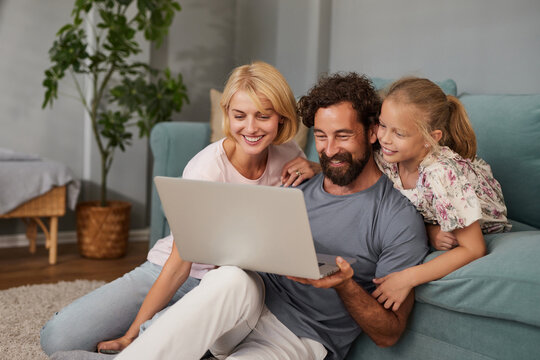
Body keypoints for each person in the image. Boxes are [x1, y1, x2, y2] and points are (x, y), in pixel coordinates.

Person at [107, 72, 429, 360]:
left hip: (300, 336)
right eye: (320, 136)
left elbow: (389, 333)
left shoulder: (396, 218)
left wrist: (344, 285)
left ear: (373, 132)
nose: (329, 150)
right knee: (232, 277)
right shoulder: (297, 181)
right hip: (245, 305)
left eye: (343, 136)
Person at [40, 61, 320, 357]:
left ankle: (159, 335)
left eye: (263, 116)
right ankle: (147, 335)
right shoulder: (206, 169)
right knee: (57, 339)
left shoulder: (290, 154)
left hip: (232, 290)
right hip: (176, 270)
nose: (250, 128)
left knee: (186, 333)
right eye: (240, 116)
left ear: (281, 118)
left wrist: (316, 168)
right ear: (227, 114)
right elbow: (178, 265)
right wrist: (130, 336)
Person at [371, 77, 511, 312]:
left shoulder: (441, 174)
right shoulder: (387, 157)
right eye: (383, 125)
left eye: (399, 133)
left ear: (431, 138)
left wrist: (407, 278)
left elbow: (474, 249)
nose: (384, 138)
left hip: (478, 216)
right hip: (437, 210)